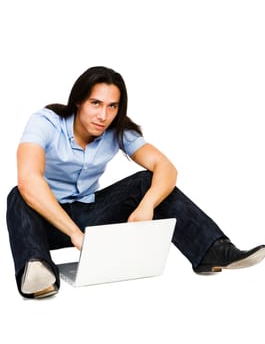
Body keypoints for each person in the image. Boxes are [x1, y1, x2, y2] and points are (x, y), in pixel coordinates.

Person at [6, 66, 265, 299]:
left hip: (89, 216)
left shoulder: (118, 131)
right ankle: (37, 270)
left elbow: (165, 168)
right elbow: (29, 178)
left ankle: (212, 251)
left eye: (112, 106)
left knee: (148, 182)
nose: (103, 115)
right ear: (78, 101)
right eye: (95, 103)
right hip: (44, 223)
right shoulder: (45, 122)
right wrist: (74, 233)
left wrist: (147, 205)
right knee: (19, 193)